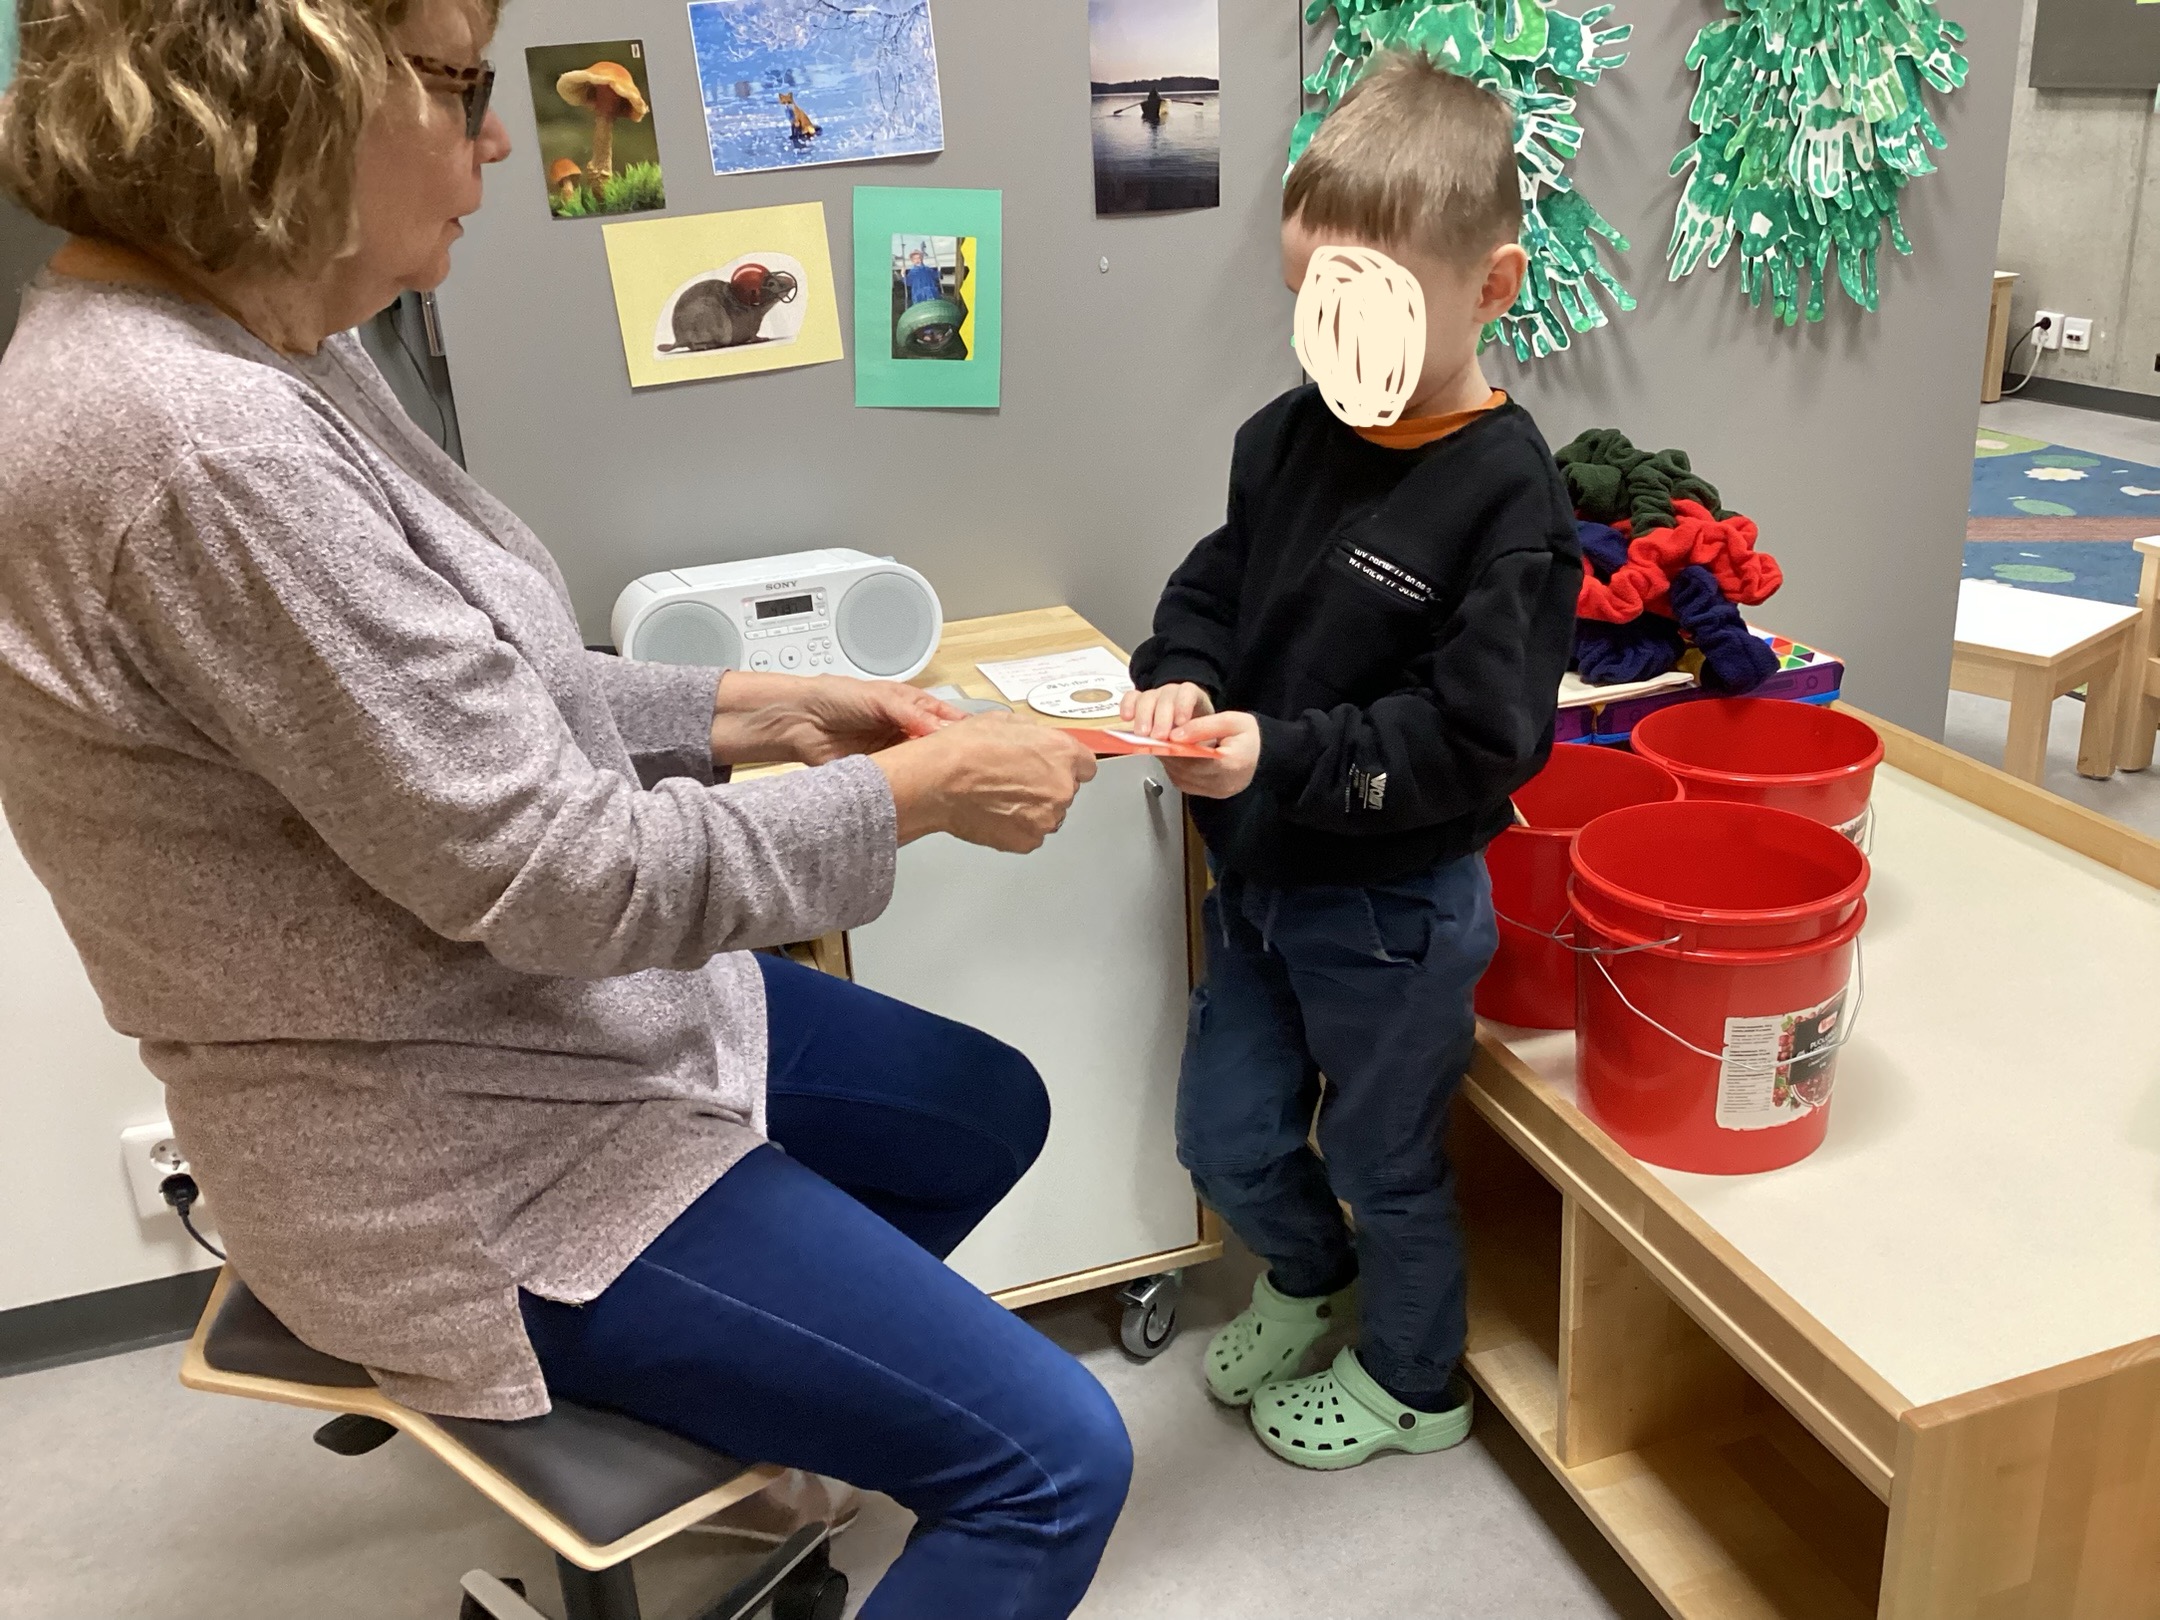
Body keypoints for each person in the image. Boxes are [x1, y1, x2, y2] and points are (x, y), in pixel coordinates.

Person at [0, 3, 1129, 1615]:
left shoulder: (267, 341)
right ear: (290, 87)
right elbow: (562, 875)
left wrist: (754, 708)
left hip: (534, 1024)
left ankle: (750, 1420)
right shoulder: (199, 444)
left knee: (976, 1110)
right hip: (455, 1154)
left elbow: (469, 696)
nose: (499, 135)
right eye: (461, 83)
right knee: (1053, 1462)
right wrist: (911, 798)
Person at [1121, 54, 1580, 1470]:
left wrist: (1281, 753)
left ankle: (1413, 1384)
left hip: (1394, 909)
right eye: (1306, 300)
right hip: (1262, 883)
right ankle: (1308, 1276)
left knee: (1384, 1160)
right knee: (1224, 1135)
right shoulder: (1288, 437)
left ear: (1491, 288)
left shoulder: (1509, 503)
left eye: (1366, 309)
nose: (1329, 344)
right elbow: (1216, 584)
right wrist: (1183, 672)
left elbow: (1479, 738)